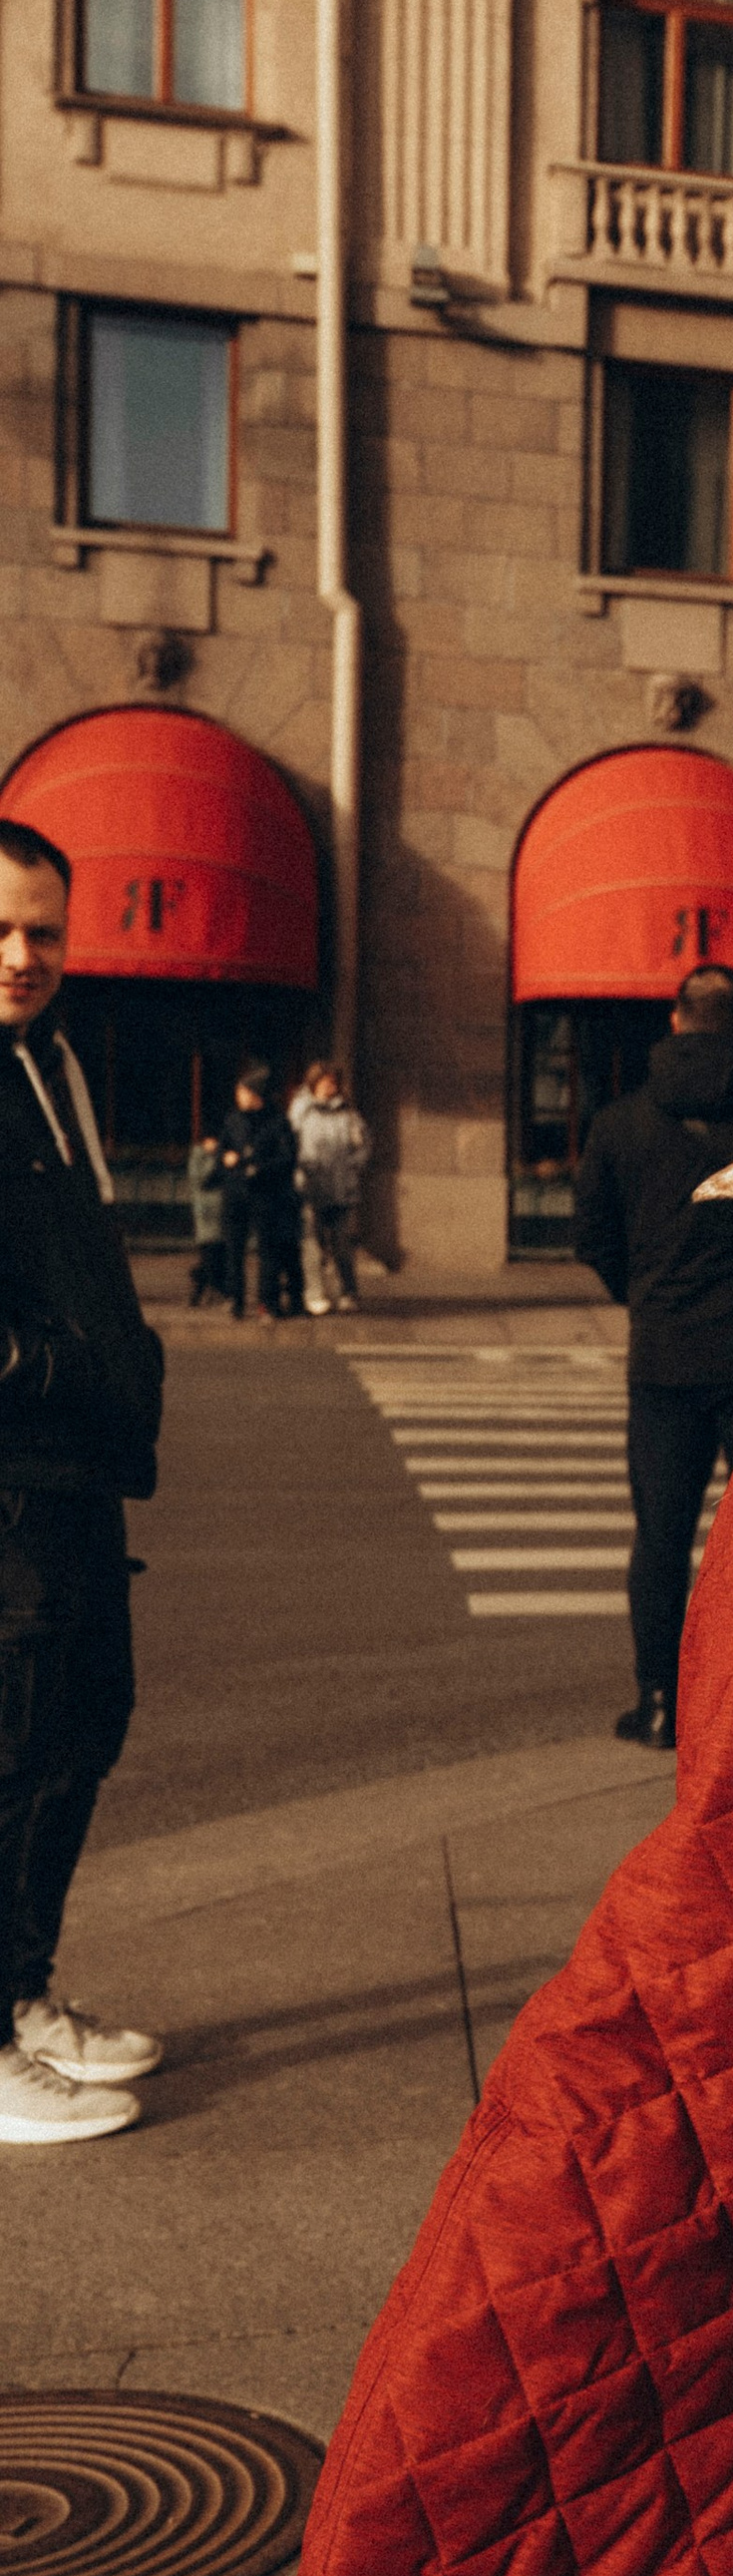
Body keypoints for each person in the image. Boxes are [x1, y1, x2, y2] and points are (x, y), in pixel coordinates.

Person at [0, 817, 165, 2142]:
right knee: (11, 1743)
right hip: (13, 1469)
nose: (20, 954)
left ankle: (26, 1990)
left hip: (75, 1468)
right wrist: (51, 1368)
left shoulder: (42, 1064)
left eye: (42, 930)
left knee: (79, 1725)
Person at [573, 960, 733, 1747]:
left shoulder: (619, 1122)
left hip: (660, 1359)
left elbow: (590, 1236)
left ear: (674, 1019)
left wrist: (642, 1294)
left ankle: (660, 1702)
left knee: (660, 1537)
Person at [216, 1065, 303, 1319]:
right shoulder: (233, 1120)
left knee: (268, 1250)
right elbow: (223, 1149)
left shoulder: (277, 1121)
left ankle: (268, 1301)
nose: (239, 1096)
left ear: (256, 1095)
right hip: (235, 1193)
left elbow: (287, 1157)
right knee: (234, 1250)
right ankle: (236, 1299)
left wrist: (258, 1169)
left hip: (266, 1196)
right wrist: (226, 1158)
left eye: (243, 1092)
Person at [293, 1061, 370, 1314]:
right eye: (325, 1082)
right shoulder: (301, 1111)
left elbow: (363, 1146)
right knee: (312, 1245)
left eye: (333, 1083)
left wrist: (352, 1167)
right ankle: (314, 1293)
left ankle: (347, 1291)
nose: (330, 1087)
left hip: (340, 1188)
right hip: (310, 1188)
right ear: (314, 1083)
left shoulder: (347, 1113)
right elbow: (289, 1142)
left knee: (342, 1245)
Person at [185, 1124, 225, 1307]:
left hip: (220, 1212)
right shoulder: (199, 1157)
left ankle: (202, 1284)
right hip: (206, 1215)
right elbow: (200, 1178)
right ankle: (204, 1285)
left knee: (217, 1255)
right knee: (209, 1254)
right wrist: (214, 1159)